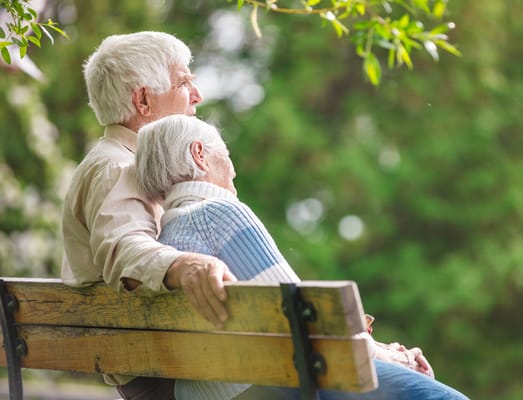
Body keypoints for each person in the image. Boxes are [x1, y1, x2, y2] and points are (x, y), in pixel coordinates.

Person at [135, 114, 470, 400]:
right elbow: (306, 324)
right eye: (226, 154)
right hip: (266, 384)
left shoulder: (164, 243)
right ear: (200, 155)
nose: (234, 170)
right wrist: (393, 357)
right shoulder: (219, 213)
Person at [60, 32, 237, 400]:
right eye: (184, 81)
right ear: (143, 99)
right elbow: (125, 248)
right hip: (165, 374)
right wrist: (187, 265)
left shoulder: (133, 166)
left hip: (172, 360)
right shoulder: (117, 166)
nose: (197, 95)